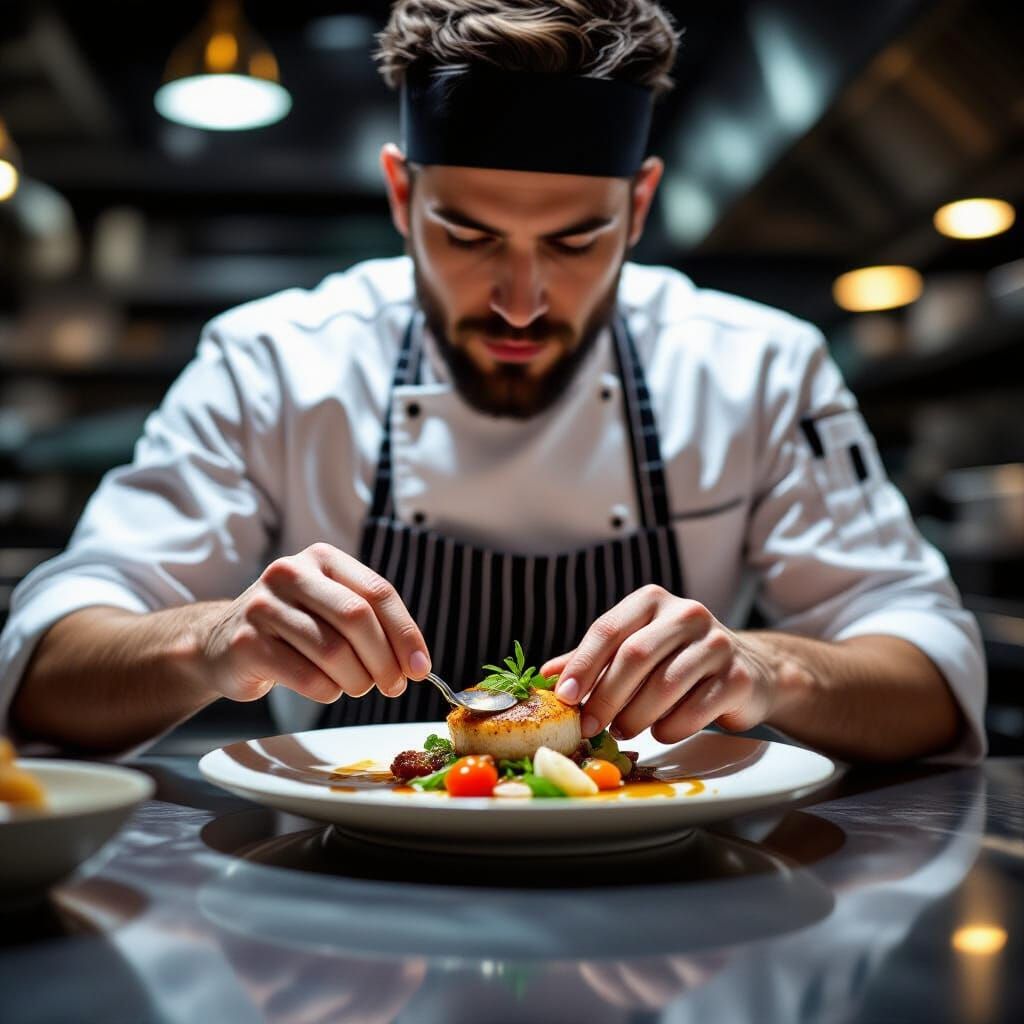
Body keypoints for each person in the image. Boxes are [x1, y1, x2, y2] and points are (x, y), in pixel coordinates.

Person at [0, 0, 985, 762]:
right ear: (401, 194)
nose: (521, 301)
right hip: (334, 906)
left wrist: (771, 668)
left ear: (638, 208)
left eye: (576, 238)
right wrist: (213, 639)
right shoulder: (273, 362)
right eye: (467, 236)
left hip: (669, 902)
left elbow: (933, 675)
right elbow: (45, 672)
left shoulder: (758, 366)